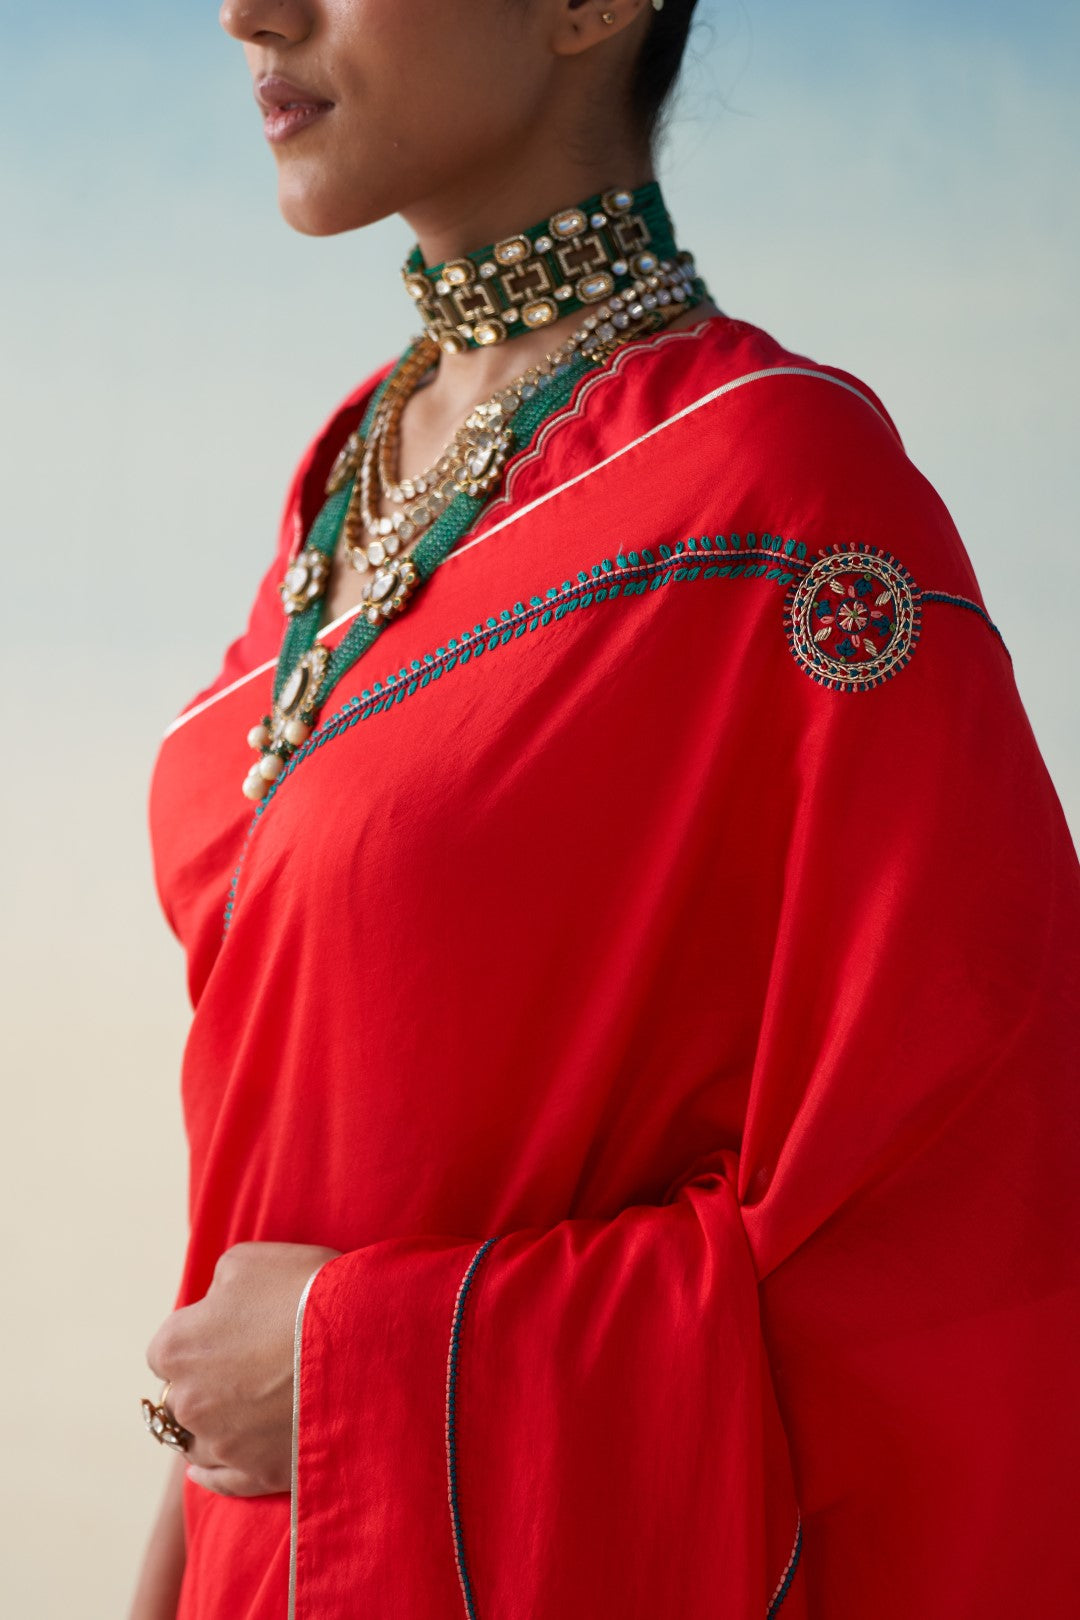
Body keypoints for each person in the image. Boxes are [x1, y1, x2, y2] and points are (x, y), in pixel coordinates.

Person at [128, 1, 1080, 1617]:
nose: (248, 12)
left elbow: (974, 1225)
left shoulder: (776, 504)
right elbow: (268, 1211)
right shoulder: (353, 474)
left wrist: (368, 1362)